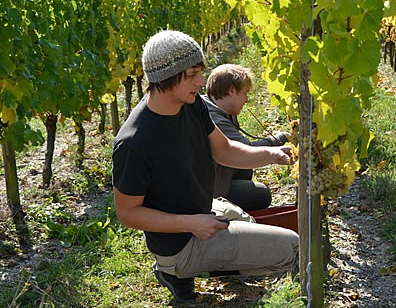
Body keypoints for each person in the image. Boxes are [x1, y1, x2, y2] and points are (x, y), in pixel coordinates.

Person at [112, 30, 299, 303]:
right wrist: (192, 224)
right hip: (180, 243)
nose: (201, 82)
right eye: (191, 75)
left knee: (251, 223)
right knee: (292, 247)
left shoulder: (191, 105)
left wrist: (271, 154)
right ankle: (177, 271)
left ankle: (193, 268)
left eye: (200, 72)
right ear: (164, 77)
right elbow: (127, 213)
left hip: (205, 209)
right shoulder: (134, 143)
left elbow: (224, 150)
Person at [202, 64, 289, 212]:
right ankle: (228, 214)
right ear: (231, 91)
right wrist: (281, 139)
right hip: (209, 192)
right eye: (245, 93)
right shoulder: (214, 118)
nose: (247, 99)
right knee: (262, 195)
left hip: (215, 177)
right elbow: (247, 150)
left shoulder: (219, 109)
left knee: (246, 172)